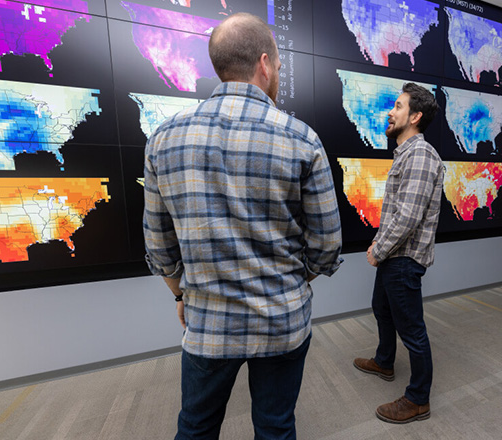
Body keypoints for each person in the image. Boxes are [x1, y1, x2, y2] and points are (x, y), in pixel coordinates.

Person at [143, 13, 342, 440]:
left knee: (196, 427)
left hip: (207, 324)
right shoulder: (302, 139)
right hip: (282, 323)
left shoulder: (163, 138)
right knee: (275, 427)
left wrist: (183, 293)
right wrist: (290, 282)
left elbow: (159, 247)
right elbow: (327, 246)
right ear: (264, 64)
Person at [353, 83, 444, 424]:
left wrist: (379, 249)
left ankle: (418, 399)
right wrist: (380, 244)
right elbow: (397, 212)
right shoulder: (405, 154)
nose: (391, 112)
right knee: (382, 308)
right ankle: (385, 361)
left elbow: (408, 216)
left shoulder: (420, 155)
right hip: (394, 253)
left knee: (413, 330)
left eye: (398, 106)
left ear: (415, 116)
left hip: (404, 259)